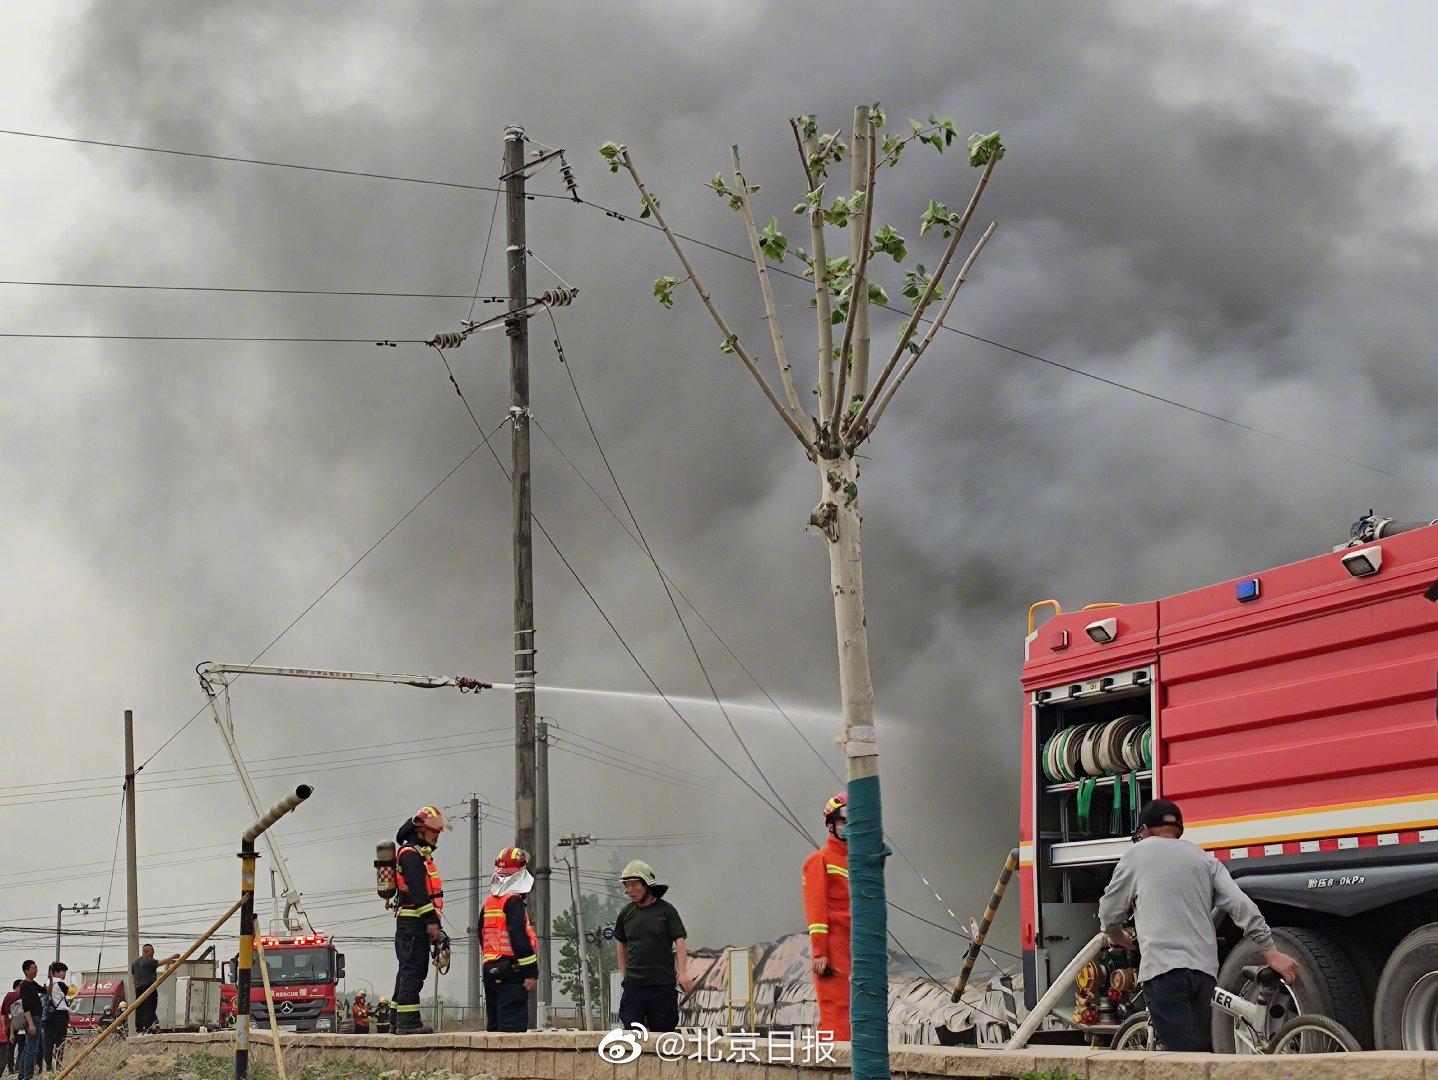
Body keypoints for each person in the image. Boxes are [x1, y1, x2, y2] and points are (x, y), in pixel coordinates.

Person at [1099, 798, 1301, 1052]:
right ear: (1179, 830)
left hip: (1164, 972)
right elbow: (1240, 903)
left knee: (1184, 1062)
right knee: (1204, 1054)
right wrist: (1269, 950)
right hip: (1204, 973)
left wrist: (1116, 935)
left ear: (1145, 830)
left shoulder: (1137, 854)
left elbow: (1109, 911)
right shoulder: (1204, 859)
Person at [614, 859, 690, 1033]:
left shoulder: (667, 911)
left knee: (663, 1035)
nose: (629, 890)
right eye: (626, 885)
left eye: (634, 884)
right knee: (632, 1034)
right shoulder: (626, 913)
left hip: (662, 986)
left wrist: (683, 972)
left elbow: (680, 941)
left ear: (647, 884)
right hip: (634, 987)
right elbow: (621, 944)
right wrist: (625, 976)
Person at [392, 805, 450, 1035]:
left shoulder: (417, 854)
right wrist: (431, 922)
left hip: (413, 924)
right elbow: (418, 892)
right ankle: (408, 1023)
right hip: (413, 924)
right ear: (419, 831)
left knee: (407, 970)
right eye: (433, 830)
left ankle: (397, 1021)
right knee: (414, 971)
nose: (437, 835)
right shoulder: (411, 855)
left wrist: (434, 924)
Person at [802, 792, 851, 1041]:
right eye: (844, 821)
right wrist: (820, 951)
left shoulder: (854, 863)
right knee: (836, 1011)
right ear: (831, 825)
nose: (849, 827)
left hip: (855, 947)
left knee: (858, 1012)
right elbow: (816, 909)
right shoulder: (819, 861)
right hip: (833, 947)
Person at [481, 846, 538, 1032]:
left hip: (490, 969)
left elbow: (480, 933)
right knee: (512, 1030)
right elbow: (519, 938)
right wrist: (530, 972)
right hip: (511, 971)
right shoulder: (513, 902)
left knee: (495, 1027)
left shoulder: (490, 902)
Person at [130, 944, 180, 1034]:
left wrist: (136, 987)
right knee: (150, 1009)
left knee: (140, 1010)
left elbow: (133, 977)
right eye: (152, 951)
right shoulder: (148, 961)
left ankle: (139, 1030)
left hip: (138, 988)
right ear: (147, 951)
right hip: (149, 987)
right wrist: (172, 957)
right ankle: (147, 1030)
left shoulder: (135, 963)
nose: (153, 952)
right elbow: (159, 963)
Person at [40, 964, 69, 1073]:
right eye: (63, 971)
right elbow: (71, 992)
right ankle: (58, 1065)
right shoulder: (61, 983)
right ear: (56, 973)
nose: (64, 974)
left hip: (47, 1015)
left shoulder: (45, 983)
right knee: (60, 1042)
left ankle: (48, 1067)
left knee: (48, 1041)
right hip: (60, 1015)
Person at [15, 963, 42, 1080]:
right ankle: (27, 1076)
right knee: (32, 1050)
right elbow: (26, 1007)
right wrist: (31, 1024)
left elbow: (47, 991)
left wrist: (51, 980)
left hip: (36, 1018)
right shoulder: (25, 985)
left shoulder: (32, 984)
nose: (36, 970)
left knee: (27, 1049)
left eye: (36, 967)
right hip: (33, 1019)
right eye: (33, 968)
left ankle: (22, 1076)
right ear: (26, 971)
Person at [1, 978, 19, 1077]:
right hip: (20, 1026)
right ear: (18, 986)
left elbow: (3, 1014)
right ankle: (18, 1068)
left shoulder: (7, 997)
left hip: (8, 1026)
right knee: (22, 1047)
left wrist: (4, 1026)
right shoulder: (21, 996)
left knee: (10, 1049)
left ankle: (11, 1069)